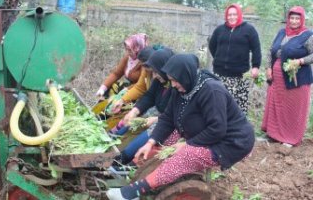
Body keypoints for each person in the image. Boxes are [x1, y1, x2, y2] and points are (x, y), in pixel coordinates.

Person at [106, 54, 255, 200]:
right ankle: (131, 168)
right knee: (168, 139)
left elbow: (217, 128)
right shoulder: (180, 88)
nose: (173, 84)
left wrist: (186, 144)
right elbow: (167, 119)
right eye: (171, 80)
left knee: (187, 154)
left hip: (230, 141)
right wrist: (151, 142)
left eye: (175, 81)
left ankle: (133, 193)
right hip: (206, 132)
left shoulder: (212, 91)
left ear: (186, 75)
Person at [110, 48, 174, 165]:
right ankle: (115, 137)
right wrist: (134, 111)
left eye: (156, 72)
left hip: (169, 121)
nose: (154, 76)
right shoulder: (159, 81)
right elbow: (149, 96)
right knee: (132, 122)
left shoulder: (176, 85)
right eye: (153, 72)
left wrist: (157, 119)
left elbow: (175, 113)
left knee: (151, 131)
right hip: (159, 113)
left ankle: (124, 160)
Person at [261, 6, 313, 147]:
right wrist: (268, 68)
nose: (294, 21)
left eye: (297, 18)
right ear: (288, 19)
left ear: (302, 20)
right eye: (292, 18)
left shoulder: (308, 35)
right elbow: (270, 51)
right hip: (277, 78)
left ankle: (290, 138)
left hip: (297, 79)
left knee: (293, 108)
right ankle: (274, 134)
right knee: (277, 106)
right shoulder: (281, 32)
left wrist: (301, 61)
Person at [209, 4, 262, 114]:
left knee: (239, 106)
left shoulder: (249, 30)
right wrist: (219, 58)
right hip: (220, 75)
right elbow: (212, 46)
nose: (232, 17)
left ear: (239, 15)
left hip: (239, 76)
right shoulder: (220, 30)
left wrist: (256, 66)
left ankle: (238, 129)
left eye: (234, 14)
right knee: (220, 104)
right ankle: (220, 127)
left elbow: (256, 49)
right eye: (229, 15)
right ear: (226, 16)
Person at [95, 33, 149, 101]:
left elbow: (141, 85)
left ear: (138, 50)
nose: (127, 52)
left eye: (130, 50)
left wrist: (125, 91)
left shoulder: (145, 62)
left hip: (138, 91)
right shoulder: (128, 57)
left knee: (119, 103)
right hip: (130, 86)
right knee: (112, 88)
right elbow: (116, 74)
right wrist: (103, 88)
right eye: (127, 49)